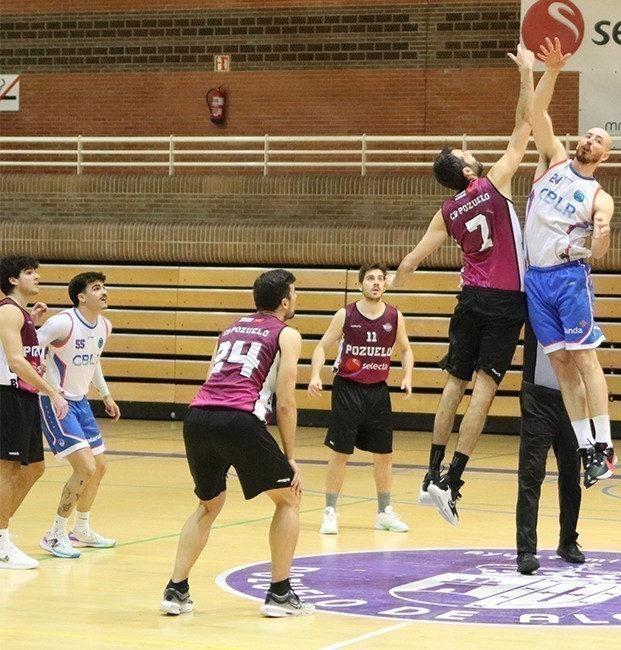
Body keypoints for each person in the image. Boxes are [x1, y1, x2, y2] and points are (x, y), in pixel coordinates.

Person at [387, 44, 535, 526]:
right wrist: (527, 75)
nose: (472, 151)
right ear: (469, 171)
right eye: (467, 153)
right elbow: (524, 128)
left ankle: (430, 471)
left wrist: (391, 281)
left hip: (469, 298)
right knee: (485, 391)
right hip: (506, 300)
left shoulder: (447, 212)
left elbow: (412, 260)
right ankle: (453, 480)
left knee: (454, 383)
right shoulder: (495, 183)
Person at [161, 269, 313, 617]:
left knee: (208, 505)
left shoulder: (230, 328)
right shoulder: (287, 334)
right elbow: (286, 400)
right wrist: (290, 457)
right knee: (289, 498)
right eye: (295, 294)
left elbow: (214, 374)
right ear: (285, 301)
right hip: (239, 417)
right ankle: (279, 594)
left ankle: (176, 590)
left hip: (198, 417)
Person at [525, 38, 618, 488]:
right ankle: (586, 449)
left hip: (567, 279)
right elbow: (535, 114)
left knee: (584, 359)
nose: (589, 139)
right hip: (535, 280)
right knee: (560, 365)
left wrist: (601, 234)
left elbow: (599, 251)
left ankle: (605, 443)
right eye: (588, 133)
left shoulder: (600, 197)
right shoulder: (554, 160)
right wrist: (553, 72)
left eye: (598, 139)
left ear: (605, 155)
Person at [308, 263, 413, 535]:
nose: (375, 283)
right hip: (348, 389)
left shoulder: (394, 316)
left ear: (385, 285)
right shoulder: (345, 314)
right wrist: (315, 374)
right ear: (360, 285)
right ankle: (330, 511)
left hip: (378, 391)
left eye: (380, 279)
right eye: (370, 279)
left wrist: (407, 376)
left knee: (384, 455)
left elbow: (405, 350)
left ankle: (383, 513)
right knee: (341, 453)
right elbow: (321, 346)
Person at [37, 272, 121, 559]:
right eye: (97, 288)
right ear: (81, 297)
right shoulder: (63, 322)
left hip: (81, 402)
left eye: (104, 287)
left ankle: (80, 530)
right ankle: (55, 534)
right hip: (55, 401)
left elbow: (94, 361)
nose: (104, 292)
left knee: (99, 467)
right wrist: (48, 389)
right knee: (84, 467)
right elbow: (28, 349)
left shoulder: (104, 326)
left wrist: (105, 394)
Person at [0, 255, 68, 570]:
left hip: (23, 396)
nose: (37, 277)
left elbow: (24, 352)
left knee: (35, 468)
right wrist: (52, 390)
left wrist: (33, 322)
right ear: (13, 280)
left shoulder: (20, 314)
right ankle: (2, 543)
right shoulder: (8, 312)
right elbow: (15, 361)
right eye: (29, 272)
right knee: (8, 470)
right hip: (8, 394)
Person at [514, 321, 584, 575]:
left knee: (570, 476)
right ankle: (526, 550)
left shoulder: (577, 306)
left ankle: (567, 540)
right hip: (537, 398)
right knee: (531, 475)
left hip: (569, 397)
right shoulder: (534, 300)